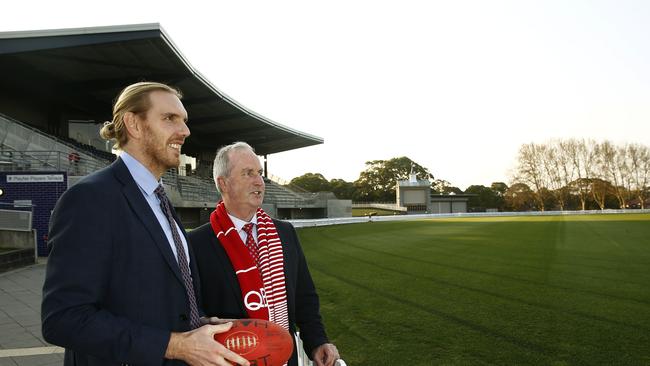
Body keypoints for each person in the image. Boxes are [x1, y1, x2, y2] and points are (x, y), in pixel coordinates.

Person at [41, 82, 249, 366]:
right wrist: (176, 346)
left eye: (184, 121)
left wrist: (199, 323)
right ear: (133, 124)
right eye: (169, 118)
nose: (185, 131)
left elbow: (152, 297)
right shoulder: (89, 199)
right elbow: (63, 318)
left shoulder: (160, 201)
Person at [189, 142, 340, 366]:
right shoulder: (196, 243)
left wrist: (317, 341)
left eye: (259, 173)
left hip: (284, 359)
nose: (259, 181)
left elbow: (304, 298)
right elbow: (193, 311)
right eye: (247, 173)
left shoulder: (285, 233)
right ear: (223, 183)